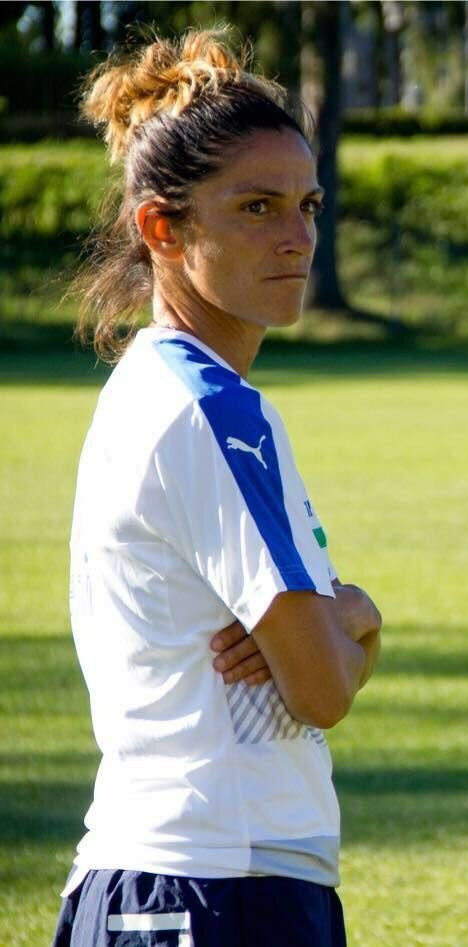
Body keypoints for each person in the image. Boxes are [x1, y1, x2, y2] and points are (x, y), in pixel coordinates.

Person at [54, 28, 381, 947]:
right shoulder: (211, 410)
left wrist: (332, 628)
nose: (297, 236)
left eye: (307, 204)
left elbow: (308, 666)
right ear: (163, 228)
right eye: (257, 207)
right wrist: (359, 615)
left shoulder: (158, 387)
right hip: (212, 885)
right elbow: (320, 686)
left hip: (188, 879)